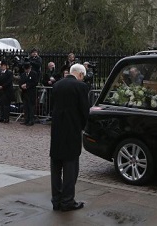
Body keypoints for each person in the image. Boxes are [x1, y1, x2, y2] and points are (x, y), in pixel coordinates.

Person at [50, 63, 90, 212]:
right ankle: (67, 200)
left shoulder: (57, 85)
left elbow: (52, 106)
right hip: (72, 130)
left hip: (57, 130)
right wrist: (82, 126)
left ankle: (56, 199)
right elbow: (85, 111)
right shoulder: (81, 87)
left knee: (55, 166)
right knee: (70, 166)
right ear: (80, 74)